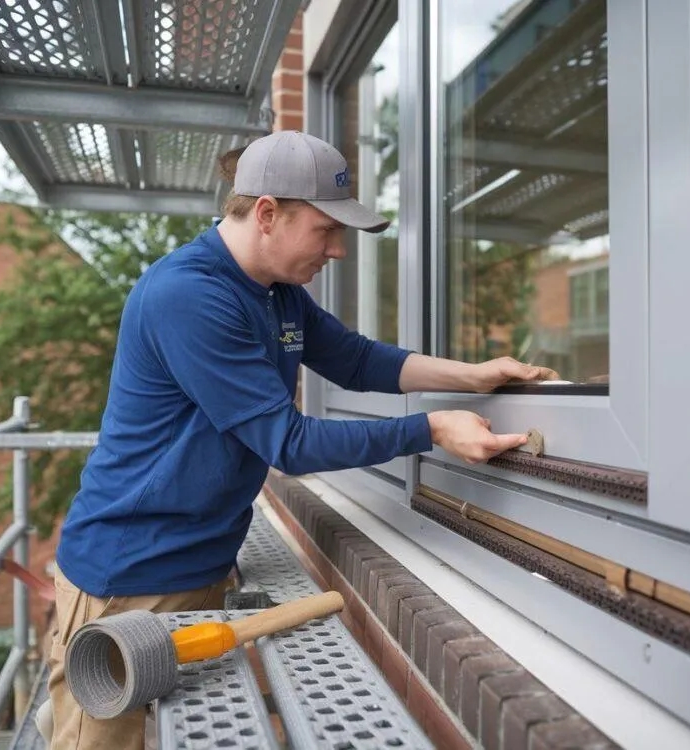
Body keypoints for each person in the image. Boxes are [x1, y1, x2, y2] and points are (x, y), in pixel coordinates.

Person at [45, 130, 557, 748]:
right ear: (268, 214)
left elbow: (359, 362)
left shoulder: (277, 294)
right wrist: (431, 429)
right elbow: (287, 443)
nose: (338, 250)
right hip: (129, 580)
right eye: (326, 230)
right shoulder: (190, 294)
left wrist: (471, 375)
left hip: (200, 564)